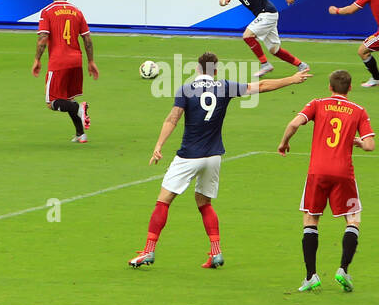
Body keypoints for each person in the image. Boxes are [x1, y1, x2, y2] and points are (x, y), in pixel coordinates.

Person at [130, 52, 309, 269]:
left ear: (197, 69)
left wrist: (158, 146)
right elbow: (261, 86)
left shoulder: (186, 90)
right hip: (213, 157)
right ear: (215, 71)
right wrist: (292, 79)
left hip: (188, 156)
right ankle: (216, 252)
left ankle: (148, 251)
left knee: (164, 200)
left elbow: (173, 118)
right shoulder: (224, 86)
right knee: (204, 203)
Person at [278, 68, 375, 292]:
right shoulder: (359, 110)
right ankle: (343, 269)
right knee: (353, 219)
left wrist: (284, 143)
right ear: (350, 88)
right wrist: (357, 141)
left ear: (330, 87)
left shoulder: (317, 104)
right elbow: (370, 146)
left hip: (317, 172)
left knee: (311, 220)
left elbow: (293, 124)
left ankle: (311, 276)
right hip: (343, 173)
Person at [31, 0, 98, 144]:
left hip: (58, 62)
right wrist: (91, 62)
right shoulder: (77, 11)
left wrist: (37, 60)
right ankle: (80, 134)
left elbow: (43, 38)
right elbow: (87, 39)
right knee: (68, 98)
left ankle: (78, 109)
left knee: (52, 102)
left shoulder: (47, 12)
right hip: (76, 61)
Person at [220, 0, 308, 78]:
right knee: (274, 50)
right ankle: (302, 65)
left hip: (267, 13)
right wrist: (224, 1)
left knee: (247, 35)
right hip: (263, 16)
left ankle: (265, 64)